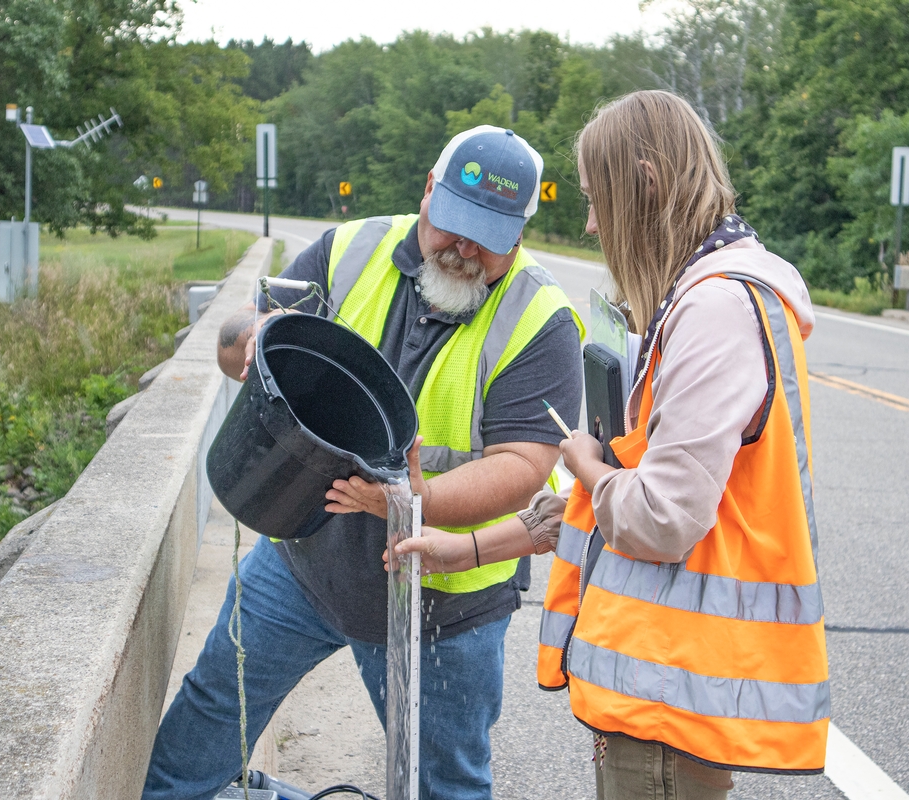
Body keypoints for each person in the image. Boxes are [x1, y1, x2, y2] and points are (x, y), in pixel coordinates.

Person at [393, 91, 829, 799]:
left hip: (671, 685)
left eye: (599, 200)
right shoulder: (695, 298)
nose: (593, 224)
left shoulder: (715, 309)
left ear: (648, 184)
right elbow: (626, 492)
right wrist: (471, 549)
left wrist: (587, 465)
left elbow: (657, 518)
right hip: (659, 677)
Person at [142, 125, 584, 800]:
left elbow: (521, 467)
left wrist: (406, 499)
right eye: (454, 227)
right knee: (199, 736)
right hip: (302, 564)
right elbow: (235, 344)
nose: (464, 251)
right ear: (429, 193)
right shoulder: (352, 249)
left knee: (444, 788)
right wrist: (250, 342)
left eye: (487, 239)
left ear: (521, 232)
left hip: (444, 604)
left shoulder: (540, 319)